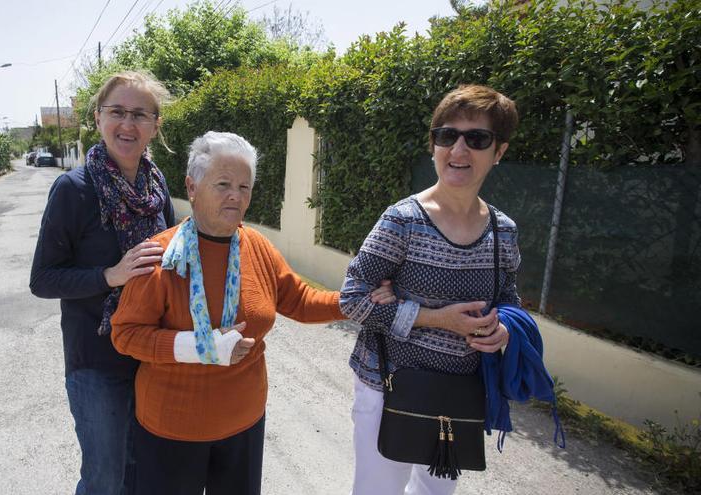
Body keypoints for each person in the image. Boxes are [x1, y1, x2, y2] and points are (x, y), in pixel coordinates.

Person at [110, 131, 395, 495]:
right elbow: (126, 334)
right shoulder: (160, 256)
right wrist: (201, 347)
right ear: (191, 187)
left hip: (243, 425)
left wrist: (358, 301)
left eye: (245, 187)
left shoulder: (257, 246)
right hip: (172, 430)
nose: (236, 195)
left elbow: (300, 300)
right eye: (224, 184)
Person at [340, 84, 520, 495]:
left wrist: (504, 329)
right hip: (389, 387)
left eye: (476, 139)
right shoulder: (403, 220)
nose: (458, 149)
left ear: (499, 151)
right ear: (433, 145)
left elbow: (509, 299)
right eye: (446, 135)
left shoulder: (503, 230)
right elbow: (352, 297)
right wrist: (437, 319)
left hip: (458, 394)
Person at [29, 70, 176, 495]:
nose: (127, 125)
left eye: (139, 114)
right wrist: (111, 275)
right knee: (105, 479)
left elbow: (171, 248)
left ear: (155, 124)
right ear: (98, 118)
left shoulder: (156, 184)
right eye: (117, 112)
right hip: (97, 360)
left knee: (142, 472)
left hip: (151, 354)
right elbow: (42, 279)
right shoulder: (73, 190)